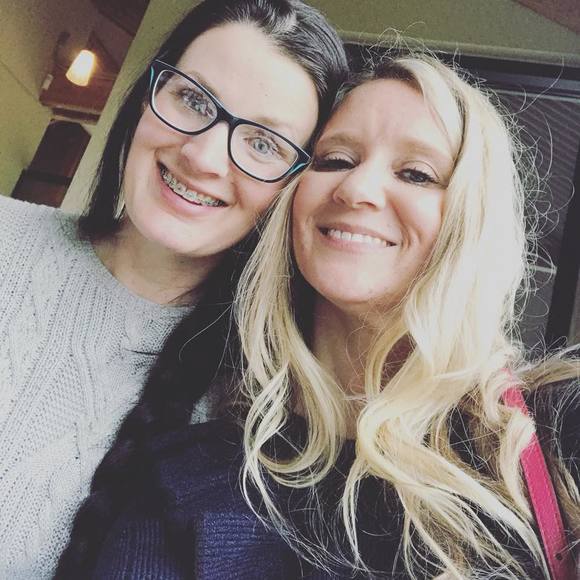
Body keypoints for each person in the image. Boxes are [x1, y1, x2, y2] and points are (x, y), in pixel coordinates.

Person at [62, 51, 579, 579]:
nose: (355, 189)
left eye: (416, 173)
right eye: (335, 160)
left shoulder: (558, 428)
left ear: (474, 220)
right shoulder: (186, 478)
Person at [0, 1, 348, 577]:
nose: (202, 156)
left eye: (263, 142)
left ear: (295, 185)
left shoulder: (266, 413)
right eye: (194, 99)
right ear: (147, 95)